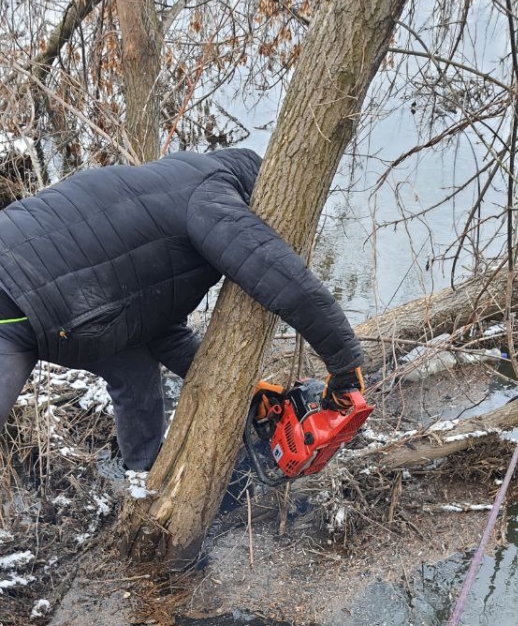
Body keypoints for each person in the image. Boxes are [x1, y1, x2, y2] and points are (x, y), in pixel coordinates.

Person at [0, 147, 364, 472]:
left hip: (65, 298)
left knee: (135, 372)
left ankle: (143, 481)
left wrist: (248, 391)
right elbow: (282, 279)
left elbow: (162, 333)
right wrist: (344, 366)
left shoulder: (176, 183)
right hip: (14, 295)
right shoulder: (210, 197)